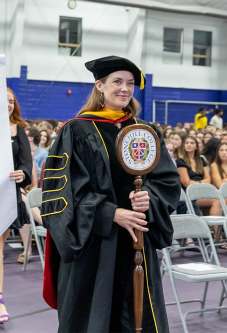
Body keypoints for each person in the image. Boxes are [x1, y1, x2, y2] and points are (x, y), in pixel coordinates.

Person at [41, 56, 180, 333]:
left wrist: (149, 198)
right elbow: (61, 194)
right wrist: (110, 213)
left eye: (129, 83)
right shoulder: (76, 130)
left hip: (136, 240)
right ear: (100, 86)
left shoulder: (144, 131)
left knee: (137, 313)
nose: (124, 88)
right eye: (117, 81)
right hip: (95, 242)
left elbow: (166, 180)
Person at [0, 87, 33, 324]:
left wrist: (22, 174)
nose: (9, 104)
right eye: (4, 100)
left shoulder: (18, 129)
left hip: (8, 195)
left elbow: (26, 164)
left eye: (12, 101)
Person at [177, 136, 222, 223]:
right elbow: (186, 183)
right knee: (217, 201)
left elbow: (208, 180)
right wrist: (201, 182)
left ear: (196, 146)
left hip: (203, 190)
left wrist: (197, 182)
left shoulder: (201, 160)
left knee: (224, 199)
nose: (189, 145)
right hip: (190, 193)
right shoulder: (180, 161)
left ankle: (224, 232)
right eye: (186, 143)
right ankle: (215, 234)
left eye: (192, 143)